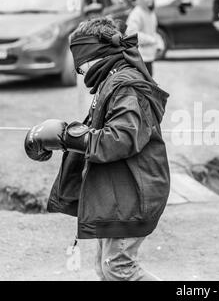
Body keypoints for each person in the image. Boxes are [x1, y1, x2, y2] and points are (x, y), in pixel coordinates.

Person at [23, 17, 170, 281]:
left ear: (94, 54)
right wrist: (66, 137)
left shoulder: (126, 85)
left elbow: (121, 138)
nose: (81, 72)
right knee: (105, 268)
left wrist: (69, 136)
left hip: (134, 192)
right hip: (118, 192)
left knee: (118, 268)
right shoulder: (111, 81)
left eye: (81, 64)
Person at [126, 0, 162, 76]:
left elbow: (152, 31)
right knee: (142, 85)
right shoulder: (136, 13)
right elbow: (132, 33)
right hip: (139, 57)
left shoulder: (151, 12)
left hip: (149, 56)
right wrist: (152, 40)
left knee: (149, 84)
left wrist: (159, 44)